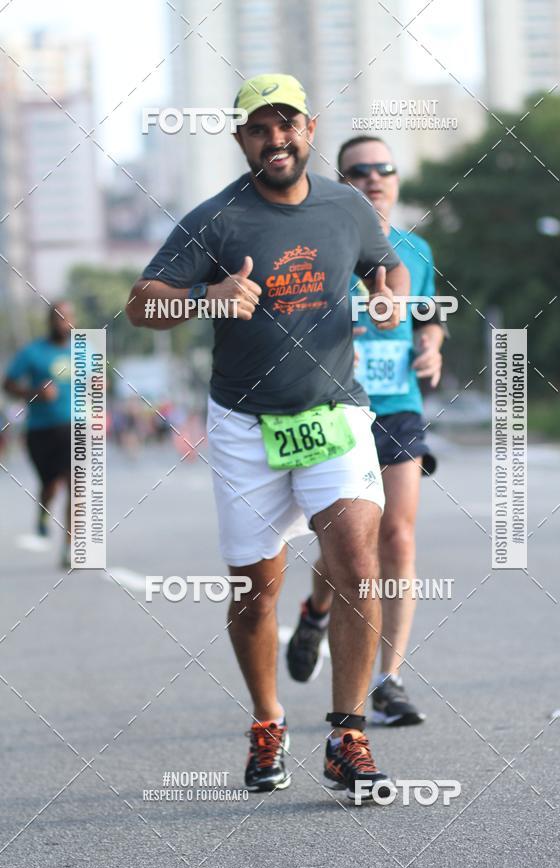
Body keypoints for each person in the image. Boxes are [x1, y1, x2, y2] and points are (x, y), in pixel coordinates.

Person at [127, 74, 412, 800]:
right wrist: (207, 297)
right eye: (259, 127)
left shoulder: (347, 205)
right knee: (257, 591)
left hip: (336, 414)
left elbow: (385, 260)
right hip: (246, 426)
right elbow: (140, 304)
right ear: (240, 138)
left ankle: (348, 736)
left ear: (309, 128)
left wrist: (387, 291)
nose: (276, 138)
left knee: (355, 557)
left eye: (287, 124)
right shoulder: (215, 220)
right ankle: (267, 721)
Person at [286, 135, 445, 727]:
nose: (375, 178)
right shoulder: (317, 244)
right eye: (360, 171)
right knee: (351, 545)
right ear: (341, 182)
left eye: (385, 169)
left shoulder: (416, 250)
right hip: (335, 407)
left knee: (397, 538)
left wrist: (430, 346)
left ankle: (389, 679)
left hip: (398, 404)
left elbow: (429, 320)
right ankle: (317, 610)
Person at [4, 302, 74, 567]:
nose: (64, 322)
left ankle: (70, 546)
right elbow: (8, 383)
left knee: (75, 485)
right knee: (51, 485)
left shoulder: (84, 351)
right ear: (49, 321)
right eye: (59, 317)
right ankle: (43, 510)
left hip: (75, 427)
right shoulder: (32, 353)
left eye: (68, 317)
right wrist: (34, 393)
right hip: (41, 431)